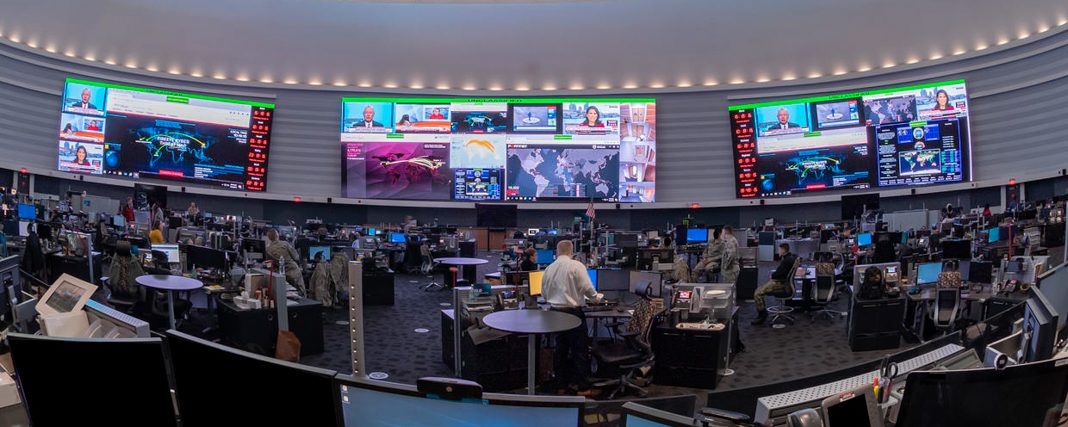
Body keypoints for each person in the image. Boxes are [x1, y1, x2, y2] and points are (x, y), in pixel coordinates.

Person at [542, 240, 601, 394]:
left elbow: (544, 294)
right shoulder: (576, 265)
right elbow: (587, 288)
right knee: (579, 350)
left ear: (557, 251)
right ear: (571, 251)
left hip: (555, 313)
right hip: (573, 314)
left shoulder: (549, 268)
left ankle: (561, 386)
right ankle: (583, 388)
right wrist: (596, 298)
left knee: (560, 350)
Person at [752, 243, 797, 325]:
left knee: (757, 293)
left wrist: (772, 275)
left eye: (779, 250)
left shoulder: (786, 261)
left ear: (783, 250)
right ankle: (762, 313)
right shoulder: (790, 258)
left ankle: (762, 315)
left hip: (781, 284)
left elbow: (779, 274)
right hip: (785, 283)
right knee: (759, 290)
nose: (778, 251)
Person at [266, 228, 306, 294]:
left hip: (283, 274)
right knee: (301, 292)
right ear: (277, 235)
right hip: (294, 271)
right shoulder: (285, 244)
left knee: (289, 293)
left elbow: (269, 265)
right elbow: (296, 257)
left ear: (269, 238)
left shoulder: (268, 249)